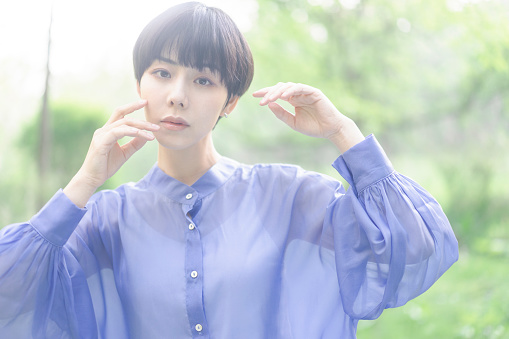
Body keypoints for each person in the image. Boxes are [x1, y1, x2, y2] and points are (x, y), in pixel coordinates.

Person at [0, 2, 458, 338]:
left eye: (203, 80)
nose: (178, 95)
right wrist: (83, 184)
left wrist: (343, 132)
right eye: (162, 73)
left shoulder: (289, 197)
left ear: (231, 102)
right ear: (140, 82)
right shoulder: (103, 221)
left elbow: (418, 248)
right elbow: (10, 299)